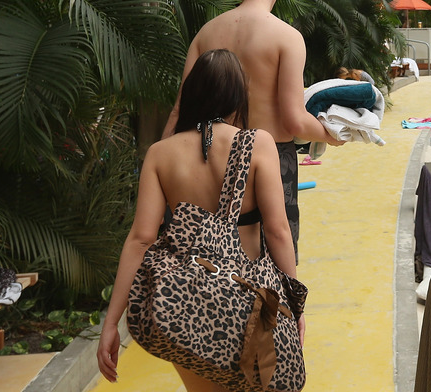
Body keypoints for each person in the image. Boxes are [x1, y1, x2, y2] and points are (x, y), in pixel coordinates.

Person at [98, 50, 301, 389]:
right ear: (238, 95)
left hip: (188, 304)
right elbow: (278, 231)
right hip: (250, 300)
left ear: (191, 94)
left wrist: (111, 324)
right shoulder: (257, 143)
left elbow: (141, 239)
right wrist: (293, 306)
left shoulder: (160, 154)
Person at [163, 0, 341, 257]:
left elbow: (180, 109)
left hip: (207, 156)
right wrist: (333, 134)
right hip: (269, 157)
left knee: (210, 260)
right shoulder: (286, 37)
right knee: (273, 255)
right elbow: (294, 120)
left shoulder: (205, 34)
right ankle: (282, 307)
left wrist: (162, 162)